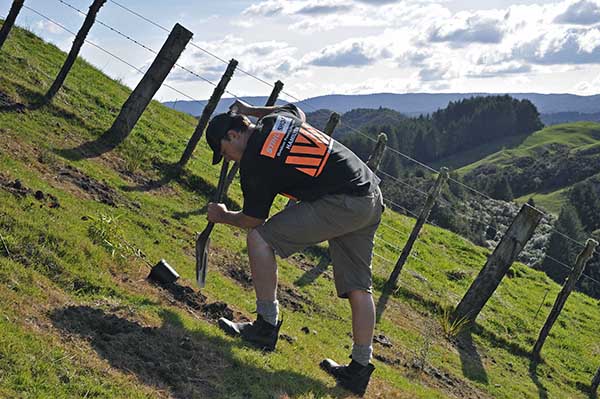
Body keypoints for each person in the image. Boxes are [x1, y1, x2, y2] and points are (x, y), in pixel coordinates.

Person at [205, 100, 383, 396]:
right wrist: (251, 110)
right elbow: (295, 109)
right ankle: (358, 370)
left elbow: (253, 219)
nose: (229, 160)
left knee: (260, 239)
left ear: (233, 136)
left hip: (342, 201)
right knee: (358, 287)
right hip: (369, 194)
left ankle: (265, 326)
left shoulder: (255, 161)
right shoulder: (275, 121)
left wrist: (221, 216)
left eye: (224, 153)